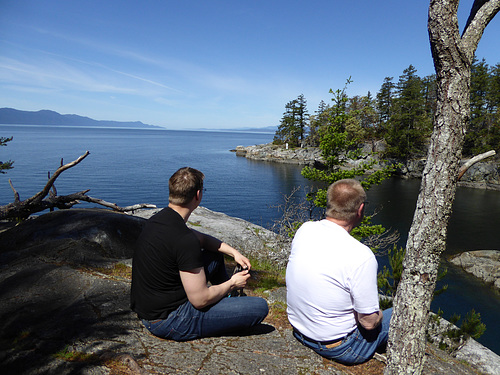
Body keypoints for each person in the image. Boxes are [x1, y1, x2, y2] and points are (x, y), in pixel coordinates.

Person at [131, 167, 268, 341]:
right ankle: (227, 297)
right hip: (168, 320)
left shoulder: (160, 219)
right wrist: (233, 283)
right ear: (198, 195)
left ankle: (226, 298)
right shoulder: (184, 240)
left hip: (150, 307)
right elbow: (200, 300)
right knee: (259, 307)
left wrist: (234, 253)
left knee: (215, 255)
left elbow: (202, 239)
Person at [286, 178, 392, 364]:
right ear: (360, 210)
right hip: (341, 348)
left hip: (299, 329)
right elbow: (368, 323)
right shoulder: (361, 256)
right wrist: (379, 315)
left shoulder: (305, 229)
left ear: (330, 204)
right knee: (401, 312)